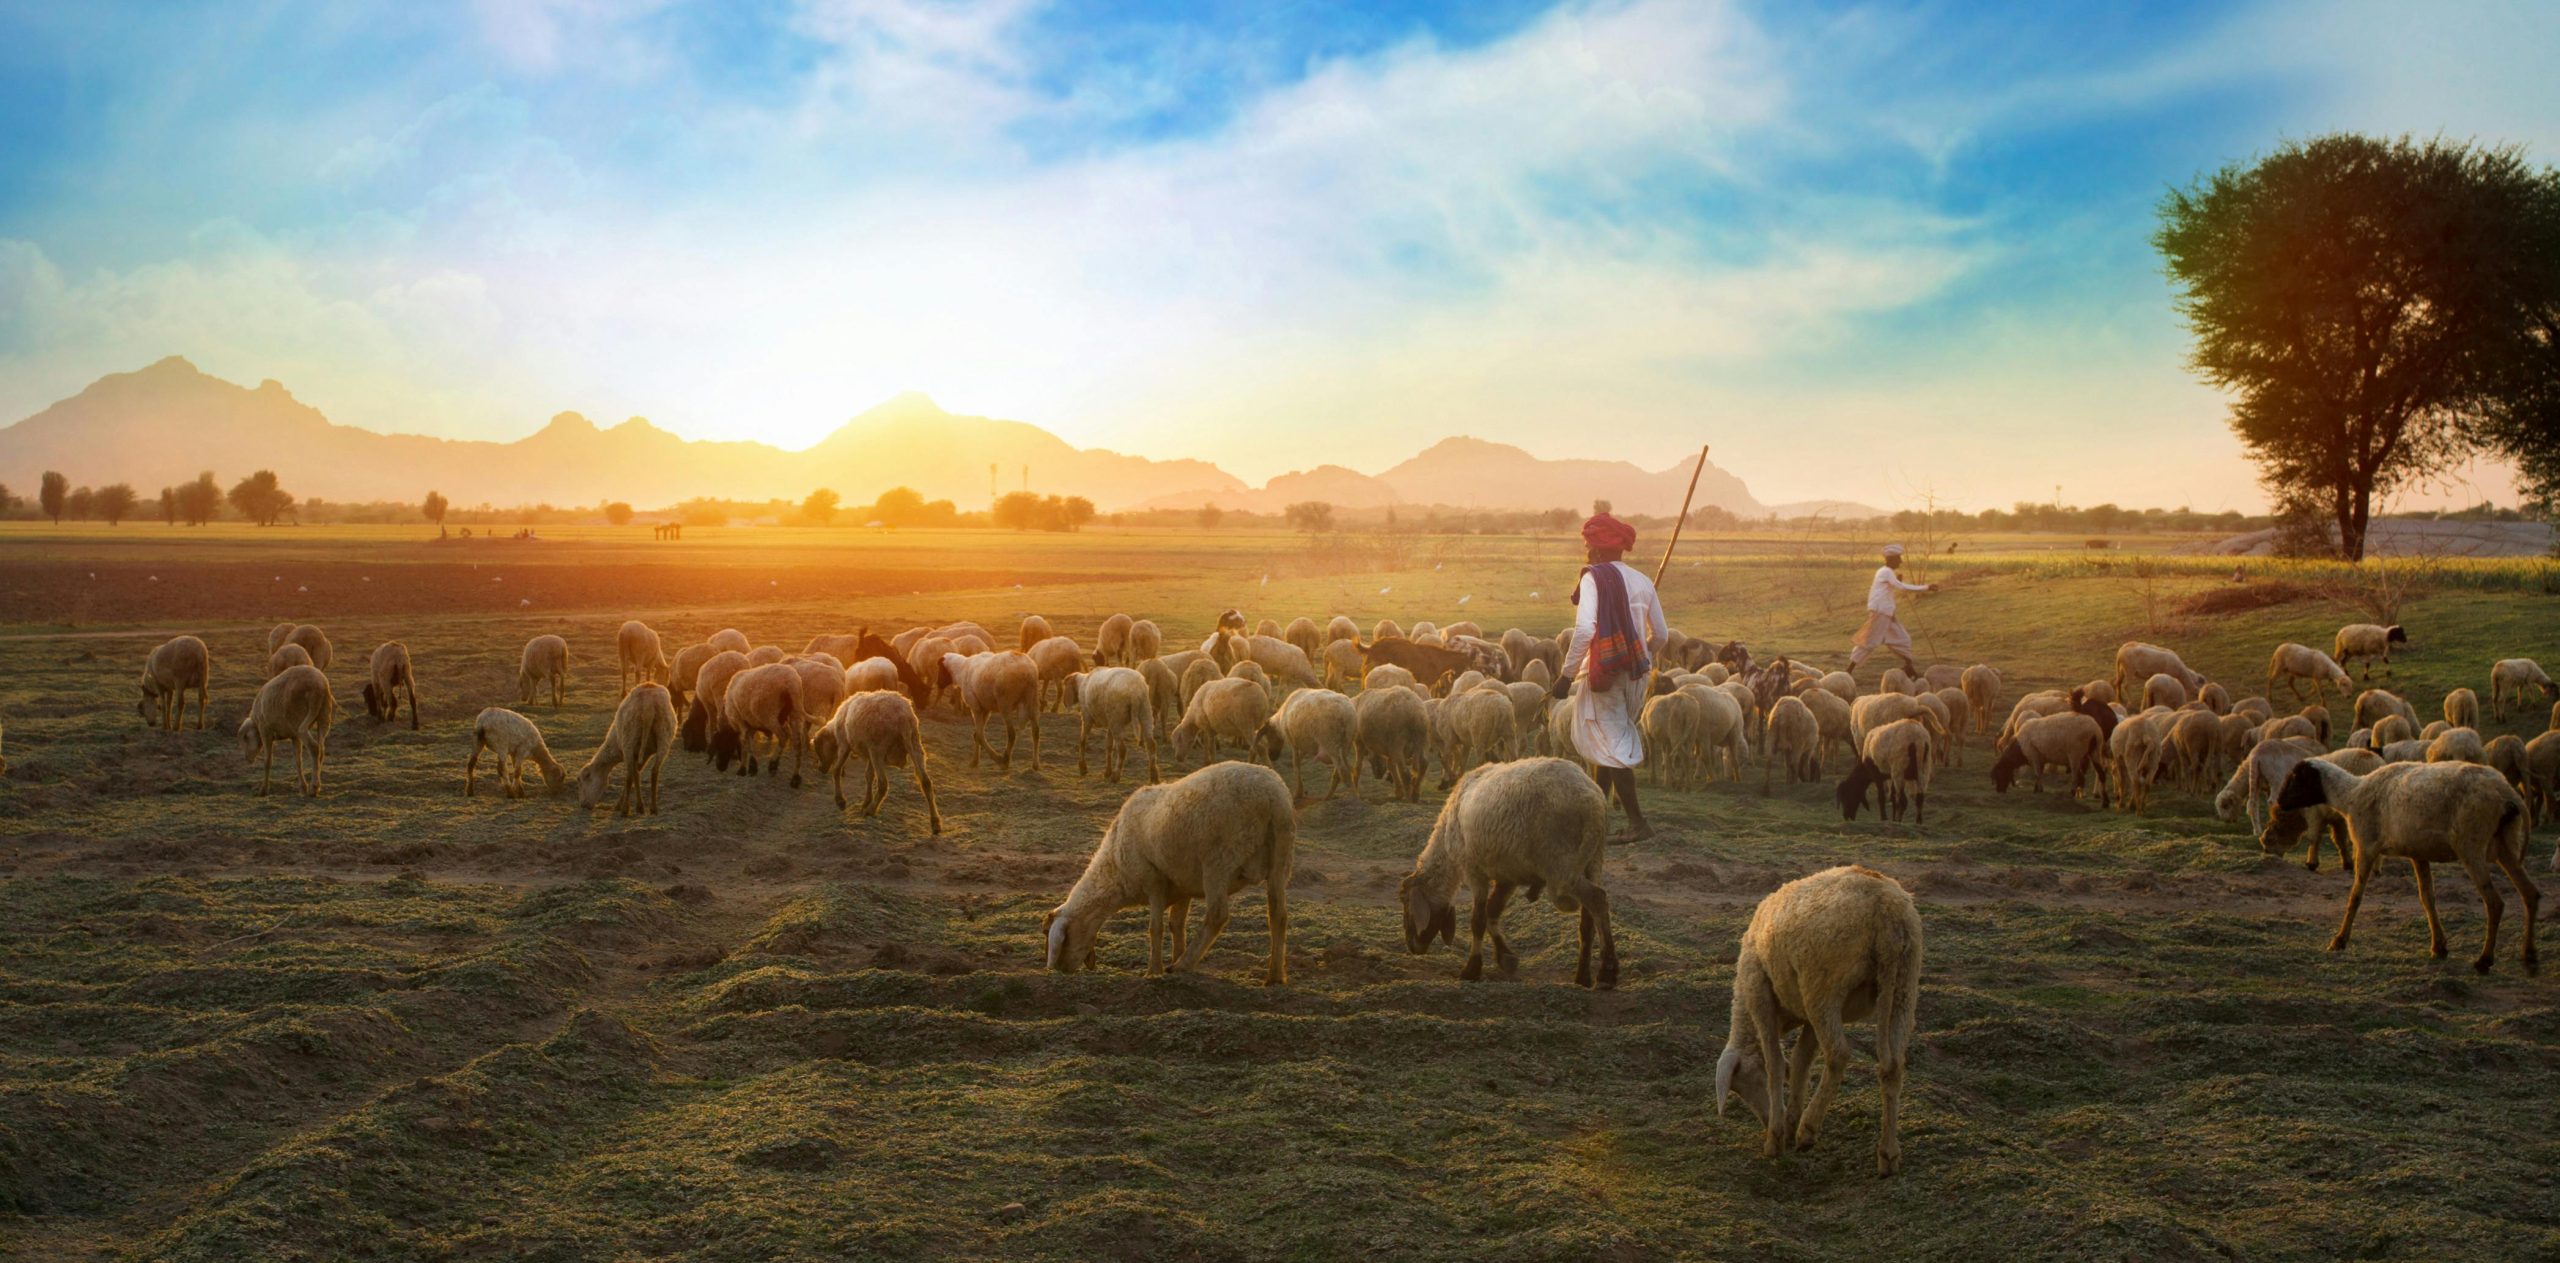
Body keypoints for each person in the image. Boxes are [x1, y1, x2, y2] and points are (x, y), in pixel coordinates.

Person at [1552, 511, 1669, 843]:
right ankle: (1595, 814)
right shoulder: (1643, 581)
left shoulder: (1594, 578)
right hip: (1637, 674)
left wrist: (1566, 675)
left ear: (1600, 550)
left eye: (1589, 547)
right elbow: (1661, 634)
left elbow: (1586, 627)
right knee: (1610, 739)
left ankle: (1637, 823)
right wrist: (1640, 651)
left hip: (1606, 672)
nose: (1587, 554)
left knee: (1613, 745)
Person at [1847, 543, 1936, 678]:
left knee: (1903, 639)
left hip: (1887, 612)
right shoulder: (1885, 571)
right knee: (1869, 642)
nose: (1900, 561)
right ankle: (1848, 671)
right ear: (1891, 559)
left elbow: (1891, 587)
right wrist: (1926, 587)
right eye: (1898, 558)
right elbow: (1900, 586)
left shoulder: (1886, 572)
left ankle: (1909, 668)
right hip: (1881, 612)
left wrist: (1896, 581)